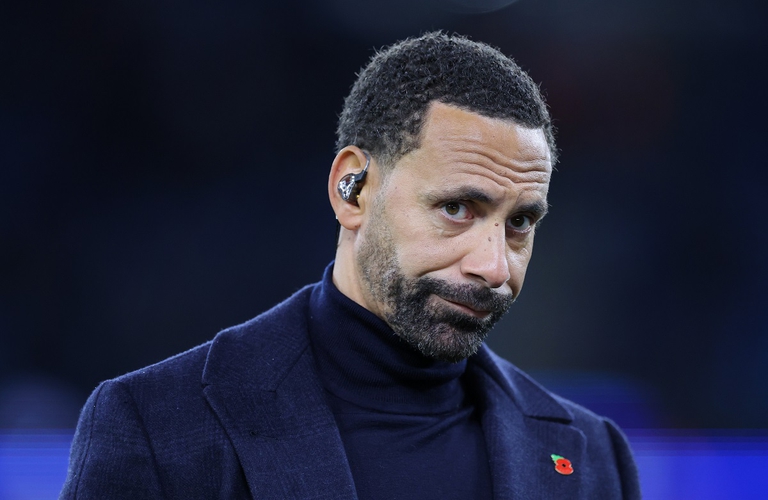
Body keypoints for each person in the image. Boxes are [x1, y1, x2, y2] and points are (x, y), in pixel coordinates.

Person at [60, 32, 640, 499]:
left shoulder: (595, 458)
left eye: (520, 223)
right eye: (457, 208)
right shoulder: (156, 426)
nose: (494, 267)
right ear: (353, 189)